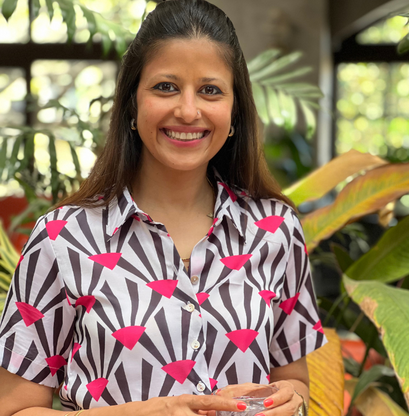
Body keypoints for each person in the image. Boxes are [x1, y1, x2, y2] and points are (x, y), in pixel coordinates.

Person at [0, 0, 327, 415]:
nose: (188, 111)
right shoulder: (60, 240)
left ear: (235, 110)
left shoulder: (276, 230)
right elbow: (13, 410)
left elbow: (293, 380)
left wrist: (293, 400)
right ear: (132, 105)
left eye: (210, 90)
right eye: (165, 87)